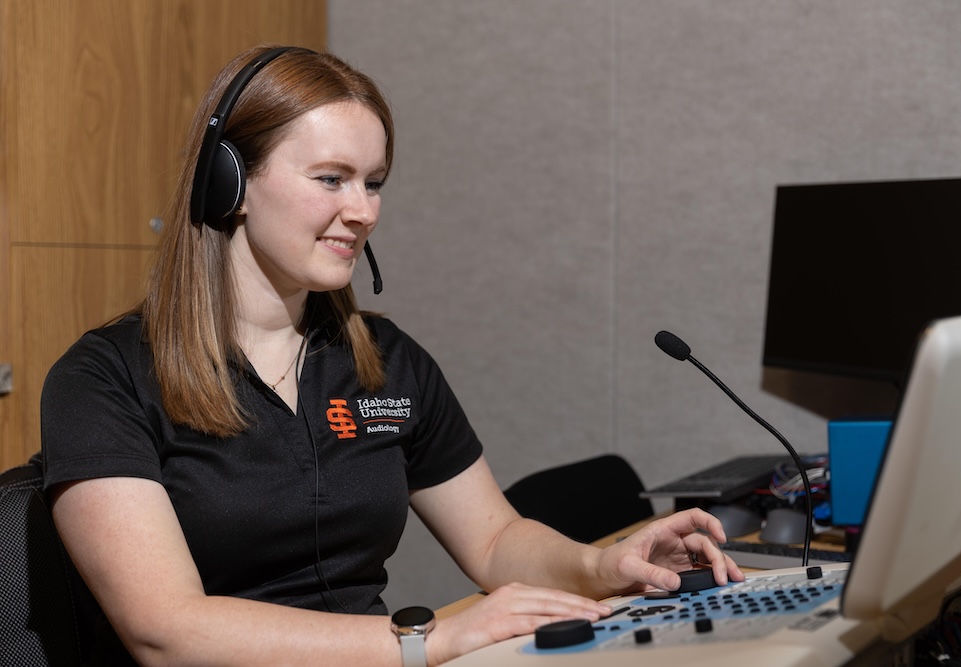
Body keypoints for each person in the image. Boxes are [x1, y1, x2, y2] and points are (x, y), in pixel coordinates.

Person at [41, 44, 743, 666]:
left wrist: (601, 564)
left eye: (372, 181)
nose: (365, 210)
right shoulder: (103, 378)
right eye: (331, 178)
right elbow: (167, 630)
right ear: (229, 183)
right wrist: (427, 640)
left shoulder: (385, 358)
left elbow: (496, 540)